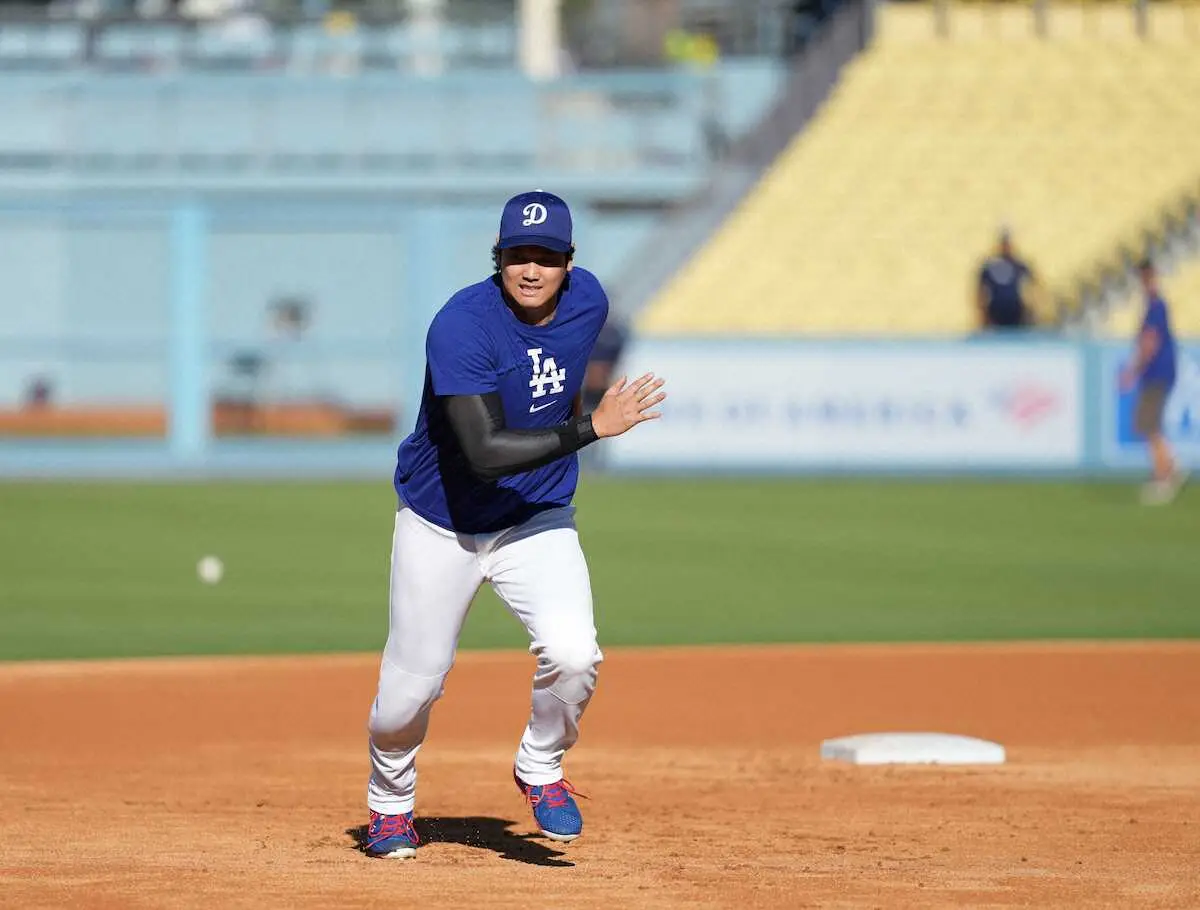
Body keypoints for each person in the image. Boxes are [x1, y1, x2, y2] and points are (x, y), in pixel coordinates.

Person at [363, 191, 667, 859]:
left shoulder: (589, 302)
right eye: (518, 255)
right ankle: (389, 804)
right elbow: (483, 452)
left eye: (547, 256)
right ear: (498, 258)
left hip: (535, 518)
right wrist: (592, 427)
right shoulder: (461, 326)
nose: (532, 269)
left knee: (575, 653)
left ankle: (540, 766)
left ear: (569, 263)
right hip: (441, 519)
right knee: (408, 694)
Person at [1120, 258, 1187, 505]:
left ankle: (1164, 476)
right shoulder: (1156, 304)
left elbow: (1150, 341)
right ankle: (1170, 465)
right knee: (1151, 424)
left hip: (1156, 372)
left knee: (1150, 425)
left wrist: (1132, 370)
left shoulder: (1155, 305)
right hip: (1160, 372)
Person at [975, 228, 1037, 330]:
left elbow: (1034, 284)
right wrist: (982, 314)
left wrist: (1032, 309)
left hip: (1016, 314)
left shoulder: (1018, 265)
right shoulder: (990, 266)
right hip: (995, 314)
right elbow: (980, 291)